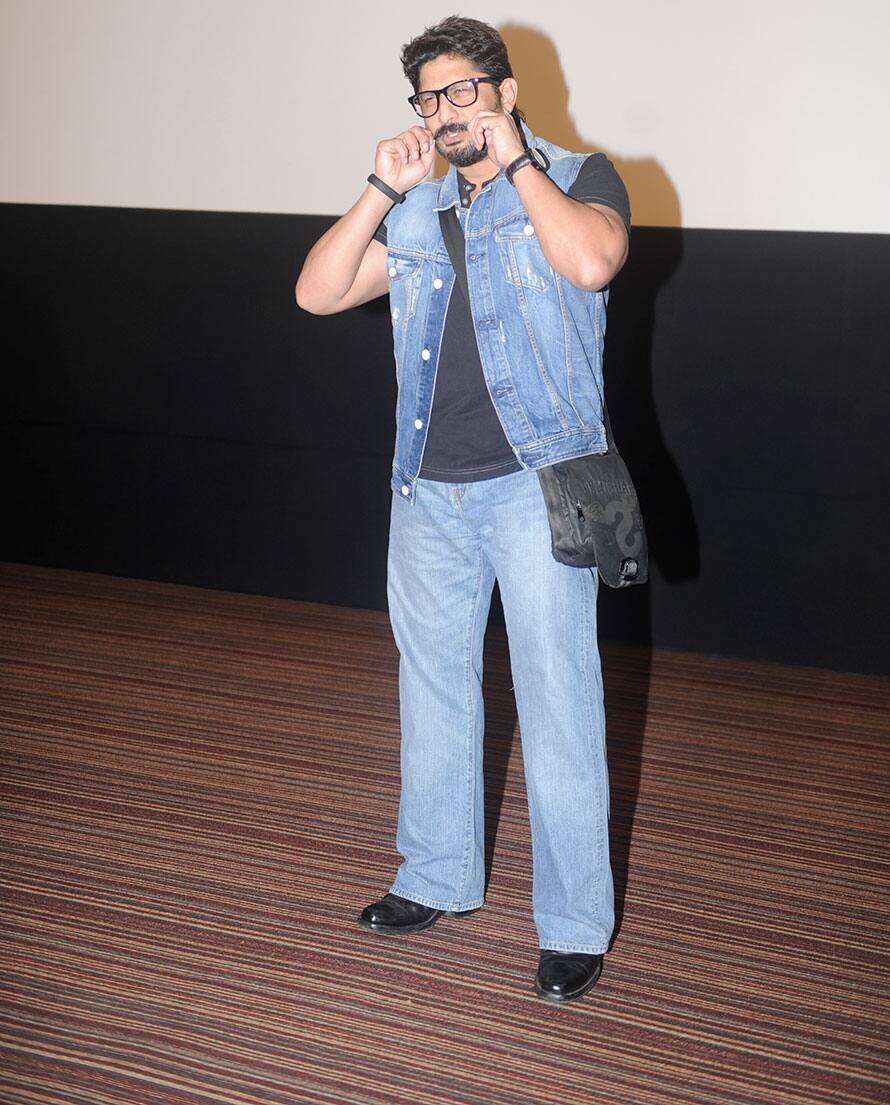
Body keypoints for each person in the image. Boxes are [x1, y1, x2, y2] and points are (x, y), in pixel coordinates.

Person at [295, 16, 630, 1003]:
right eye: (429, 97)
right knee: (432, 689)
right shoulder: (416, 208)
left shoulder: (578, 176)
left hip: (538, 488)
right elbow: (316, 293)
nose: (446, 112)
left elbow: (593, 264)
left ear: (505, 90)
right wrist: (378, 188)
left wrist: (517, 161)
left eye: (464, 91)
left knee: (559, 700)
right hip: (427, 493)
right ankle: (436, 874)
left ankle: (573, 925)